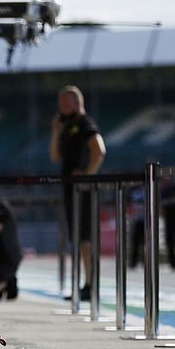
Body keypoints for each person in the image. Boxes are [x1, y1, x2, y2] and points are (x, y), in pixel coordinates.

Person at [48, 85, 106, 300]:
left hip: (82, 188)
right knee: (79, 238)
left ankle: (91, 284)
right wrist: (55, 130)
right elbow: (54, 156)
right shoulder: (66, 126)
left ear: (77, 103)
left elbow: (99, 150)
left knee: (86, 238)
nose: (62, 107)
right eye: (60, 103)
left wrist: (87, 175)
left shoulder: (84, 123)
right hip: (70, 187)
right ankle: (87, 284)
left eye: (66, 103)